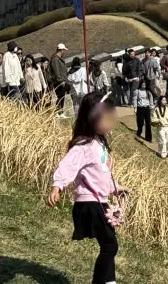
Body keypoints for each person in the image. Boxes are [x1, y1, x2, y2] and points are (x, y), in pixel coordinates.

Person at [48, 93, 126, 284]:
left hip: (99, 201)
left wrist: (116, 188)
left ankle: (108, 281)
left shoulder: (99, 143)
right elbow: (68, 165)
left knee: (109, 244)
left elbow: (99, 175)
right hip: (89, 203)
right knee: (110, 245)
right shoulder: (84, 145)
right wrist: (57, 185)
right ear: (93, 119)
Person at [50, 43, 71, 116]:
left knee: (62, 97)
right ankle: (58, 112)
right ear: (61, 50)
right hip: (59, 82)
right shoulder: (55, 59)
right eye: (64, 50)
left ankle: (60, 112)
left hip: (62, 81)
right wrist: (61, 81)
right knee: (60, 97)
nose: (64, 52)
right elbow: (56, 71)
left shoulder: (57, 58)